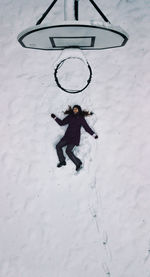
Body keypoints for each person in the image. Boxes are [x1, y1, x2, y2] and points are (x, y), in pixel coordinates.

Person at [51, 105, 98, 172]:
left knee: (68, 151)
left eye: (76, 109)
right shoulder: (70, 116)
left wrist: (93, 134)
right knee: (58, 146)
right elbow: (62, 123)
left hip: (74, 138)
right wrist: (55, 118)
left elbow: (86, 128)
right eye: (74, 109)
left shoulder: (81, 118)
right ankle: (62, 161)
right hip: (67, 137)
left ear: (79, 110)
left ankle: (78, 163)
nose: (74, 110)